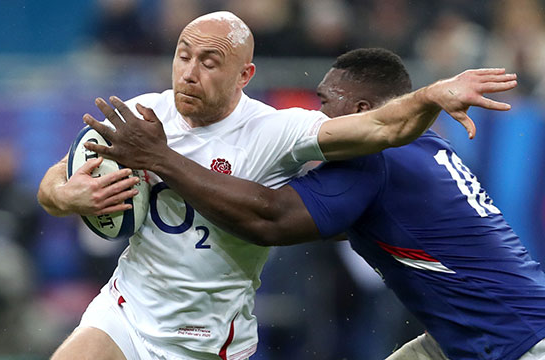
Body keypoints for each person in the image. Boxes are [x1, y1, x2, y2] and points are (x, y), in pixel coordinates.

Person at [39, 11, 517, 360]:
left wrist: (430, 95)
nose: (188, 72)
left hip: (207, 339)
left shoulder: (276, 132)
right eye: (183, 56)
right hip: (126, 308)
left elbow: (377, 129)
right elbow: (58, 174)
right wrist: (65, 195)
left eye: (209, 62)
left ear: (245, 75)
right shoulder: (145, 113)